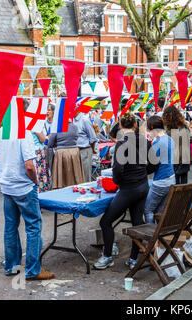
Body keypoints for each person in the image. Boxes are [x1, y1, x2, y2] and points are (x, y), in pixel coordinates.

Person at [94, 112, 158, 270]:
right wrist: (143, 172)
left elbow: (118, 169)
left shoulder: (122, 143)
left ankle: (108, 256)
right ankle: (133, 259)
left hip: (129, 188)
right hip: (142, 186)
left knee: (106, 221)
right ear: (135, 125)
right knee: (137, 223)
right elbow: (154, 164)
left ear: (121, 126)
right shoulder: (144, 140)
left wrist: (118, 182)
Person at [0, 129, 55, 281]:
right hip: (23, 187)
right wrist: (35, 181)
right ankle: (33, 270)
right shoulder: (23, 133)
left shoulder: (1, 132)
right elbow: (29, 165)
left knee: (10, 227)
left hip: (7, 186)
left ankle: (12, 267)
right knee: (33, 227)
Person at [143, 116, 175, 224]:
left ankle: (152, 237)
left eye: (148, 129)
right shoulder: (169, 139)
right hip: (171, 178)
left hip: (161, 181)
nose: (148, 131)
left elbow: (152, 164)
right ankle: (159, 236)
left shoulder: (158, 143)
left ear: (152, 127)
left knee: (148, 210)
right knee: (159, 211)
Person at [48, 120, 85, 189]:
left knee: (62, 179)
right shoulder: (75, 127)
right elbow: (76, 138)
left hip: (61, 153)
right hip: (74, 152)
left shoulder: (56, 127)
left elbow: (50, 144)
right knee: (75, 177)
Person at [163, 106, 192, 184]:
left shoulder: (167, 129)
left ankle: (176, 196)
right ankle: (184, 196)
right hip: (185, 157)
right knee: (184, 181)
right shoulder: (184, 126)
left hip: (174, 158)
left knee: (174, 181)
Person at [74, 110, 97, 182]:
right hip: (76, 151)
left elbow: (93, 138)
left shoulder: (84, 120)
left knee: (85, 176)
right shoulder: (72, 120)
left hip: (84, 150)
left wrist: (92, 149)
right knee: (77, 177)